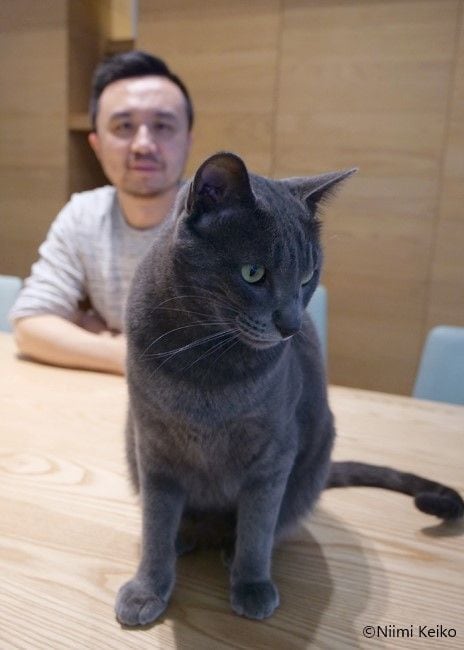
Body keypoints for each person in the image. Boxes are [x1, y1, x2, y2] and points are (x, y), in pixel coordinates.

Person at [9, 51, 194, 375]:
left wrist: (88, 332)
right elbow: (31, 323)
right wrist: (128, 354)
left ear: (188, 140)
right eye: (124, 126)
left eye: (163, 126)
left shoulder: (225, 221)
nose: (143, 144)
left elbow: (231, 356)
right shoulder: (85, 214)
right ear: (96, 144)